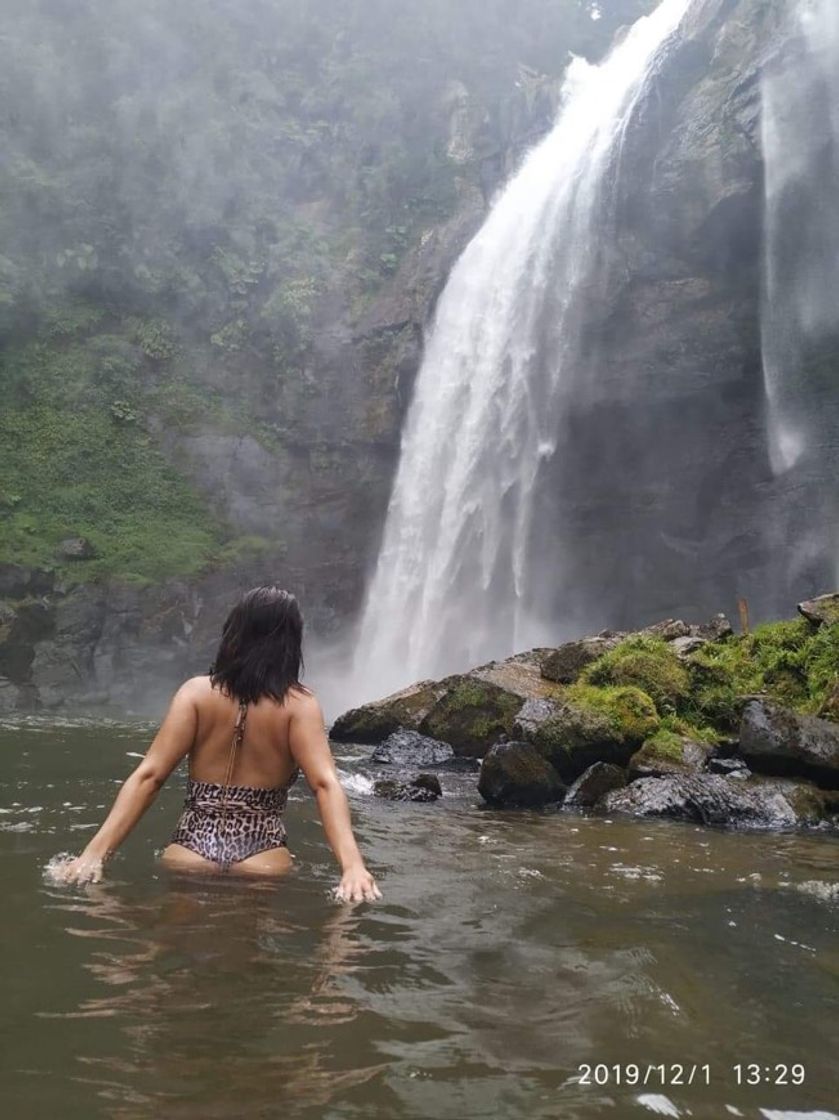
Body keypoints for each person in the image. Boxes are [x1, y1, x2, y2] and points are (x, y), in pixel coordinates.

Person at [56, 585, 382, 903]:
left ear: (234, 633)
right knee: (250, 951)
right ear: (291, 641)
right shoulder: (299, 705)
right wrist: (352, 866)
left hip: (189, 850)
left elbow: (150, 776)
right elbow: (325, 784)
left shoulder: (196, 693)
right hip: (262, 857)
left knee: (175, 945)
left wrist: (93, 854)